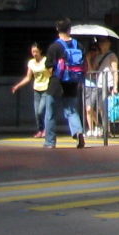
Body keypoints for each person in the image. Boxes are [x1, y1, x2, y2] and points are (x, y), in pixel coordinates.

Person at [45, 19, 88, 148]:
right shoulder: (78, 45)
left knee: (50, 112)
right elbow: (84, 65)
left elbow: (48, 66)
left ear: (57, 29)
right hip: (72, 81)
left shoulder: (55, 46)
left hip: (56, 83)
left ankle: (50, 142)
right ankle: (78, 132)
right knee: (72, 110)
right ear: (70, 29)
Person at [10, 42, 52, 139]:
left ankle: (46, 129)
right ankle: (40, 130)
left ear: (40, 51)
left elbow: (52, 73)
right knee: (37, 112)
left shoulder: (46, 61)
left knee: (41, 110)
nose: (34, 54)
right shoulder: (31, 63)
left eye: (36, 51)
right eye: (33, 52)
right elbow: (28, 78)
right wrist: (17, 86)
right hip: (36, 89)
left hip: (46, 88)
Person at [86, 36, 119, 136]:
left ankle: (107, 129)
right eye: (100, 42)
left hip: (108, 83)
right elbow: (93, 70)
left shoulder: (112, 55)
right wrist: (89, 59)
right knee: (100, 108)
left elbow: (115, 71)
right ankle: (104, 128)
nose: (101, 44)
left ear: (109, 43)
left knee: (106, 108)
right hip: (98, 84)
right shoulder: (98, 55)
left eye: (103, 42)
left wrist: (115, 86)